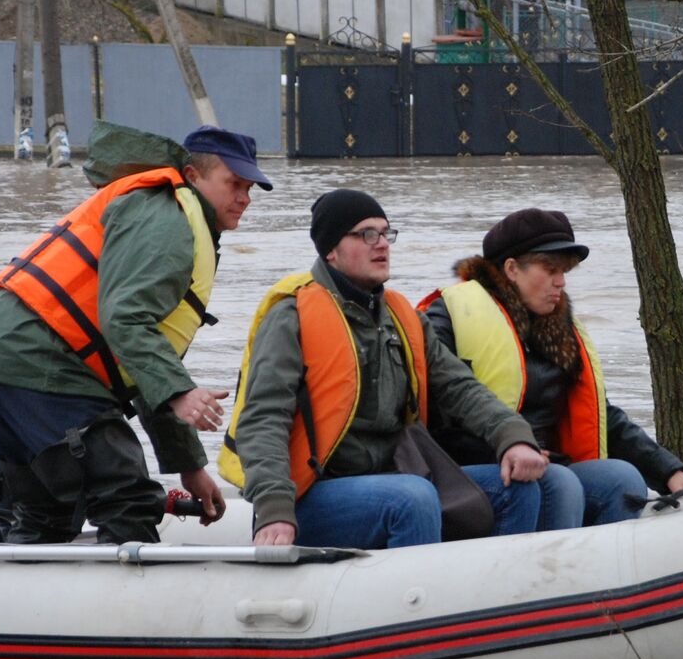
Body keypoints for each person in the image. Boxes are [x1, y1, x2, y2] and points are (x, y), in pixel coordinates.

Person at [0, 127, 270, 544]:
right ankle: (136, 605)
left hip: (4, 360)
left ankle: (21, 593)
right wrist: (180, 392)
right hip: (45, 364)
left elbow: (139, 362)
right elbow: (125, 319)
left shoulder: (175, 213)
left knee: (49, 511)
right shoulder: (168, 218)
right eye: (234, 184)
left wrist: (188, 463)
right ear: (193, 176)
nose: (244, 198)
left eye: (249, 188)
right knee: (130, 501)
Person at [221, 189, 549, 549]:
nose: (382, 244)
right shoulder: (290, 318)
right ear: (331, 249)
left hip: (395, 478)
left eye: (386, 233)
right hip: (311, 497)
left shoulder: (401, 317)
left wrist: (513, 437)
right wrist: (274, 509)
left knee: (520, 489)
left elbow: (460, 388)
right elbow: (263, 419)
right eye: (366, 234)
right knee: (412, 497)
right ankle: (421, 601)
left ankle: (497, 597)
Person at [422, 208, 683, 528]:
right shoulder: (447, 316)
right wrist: (515, 446)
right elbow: (446, 402)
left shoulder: (557, 327)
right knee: (559, 482)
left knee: (621, 477)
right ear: (512, 268)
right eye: (550, 270)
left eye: (565, 272)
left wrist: (671, 473)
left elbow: (603, 416)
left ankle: (603, 572)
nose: (560, 282)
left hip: (544, 464)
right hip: (469, 470)